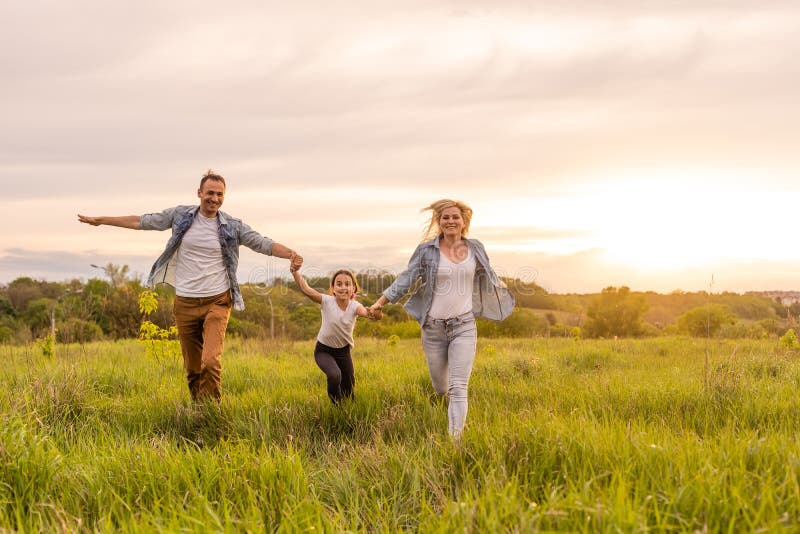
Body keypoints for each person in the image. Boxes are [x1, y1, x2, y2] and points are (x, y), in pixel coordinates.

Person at [78, 170, 300, 401]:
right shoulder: (180, 215)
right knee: (193, 370)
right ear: (199, 193)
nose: (214, 198)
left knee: (210, 361)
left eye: (220, 194)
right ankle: (200, 413)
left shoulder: (232, 226)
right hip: (185, 302)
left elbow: (262, 243)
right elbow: (142, 221)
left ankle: (214, 415)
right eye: (210, 193)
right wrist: (102, 221)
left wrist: (290, 254)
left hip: (218, 300)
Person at [367, 199, 514, 439]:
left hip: (464, 326)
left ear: (464, 221)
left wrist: (499, 285)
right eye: (445, 217)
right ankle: (445, 403)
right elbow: (406, 278)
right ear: (439, 221)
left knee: (458, 387)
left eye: (455, 217)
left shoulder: (475, 247)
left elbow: (487, 271)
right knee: (441, 387)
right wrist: (380, 302)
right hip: (433, 328)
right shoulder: (427, 250)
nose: (450, 221)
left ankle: (455, 443)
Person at [290, 256, 381, 404]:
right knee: (334, 375)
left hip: (344, 352)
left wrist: (376, 312)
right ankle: (337, 409)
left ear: (353, 289)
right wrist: (295, 272)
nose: (343, 287)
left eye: (347, 284)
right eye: (339, 284)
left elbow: (369, 313)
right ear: (333, 288)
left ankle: (348, 413)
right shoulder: (326, 301)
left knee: (349, 391)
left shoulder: (355, 306)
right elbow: (306, 289)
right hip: (323, 350)